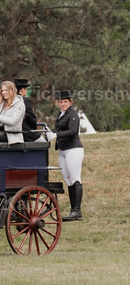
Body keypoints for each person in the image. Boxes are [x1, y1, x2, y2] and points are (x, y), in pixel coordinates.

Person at [54, 90, 85, 221]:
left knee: (75, 178)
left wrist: (56, 135)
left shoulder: (73, 114)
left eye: (65, 102)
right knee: (68, 180)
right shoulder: (60, 114)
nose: (62, 104)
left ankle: (77, 211)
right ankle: (73, 211)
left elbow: (72, 131)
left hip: (73, 149)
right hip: (63, 150)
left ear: (70, 102)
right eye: (61, 102)